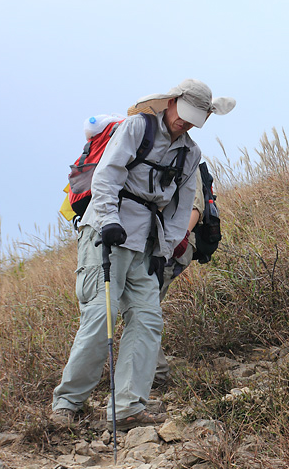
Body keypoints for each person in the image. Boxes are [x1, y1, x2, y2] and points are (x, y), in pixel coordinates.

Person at [51, 79, 235, 428]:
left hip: (146, 245)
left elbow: (181, 211)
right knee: (101, 316)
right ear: (171, 102)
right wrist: (107, 219)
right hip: (108, 233)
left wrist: (163, 251)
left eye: (194, 119)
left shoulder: (191, 154)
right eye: (183, 114)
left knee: (148, 320)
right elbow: (107, 175)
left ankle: (128, 408)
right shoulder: (138, 127)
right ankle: (67, 404)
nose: (185, 123)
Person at [152, 166, 205, 390]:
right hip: (156, 247)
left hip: (173, 249)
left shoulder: (187, 157)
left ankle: (157, 373)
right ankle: (155, 371)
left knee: (143, 307)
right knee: (143, 306)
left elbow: (196, 205)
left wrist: (179, 239)